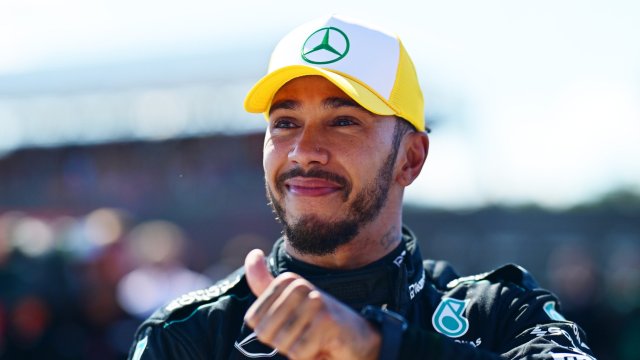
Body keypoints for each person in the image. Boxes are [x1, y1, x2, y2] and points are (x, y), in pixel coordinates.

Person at [128, 15, 596, 360]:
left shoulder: (499, 310)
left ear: (411, 158)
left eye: (344, 121)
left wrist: (375, 347)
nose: (303, 151)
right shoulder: (188, 335)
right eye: (286, 122)